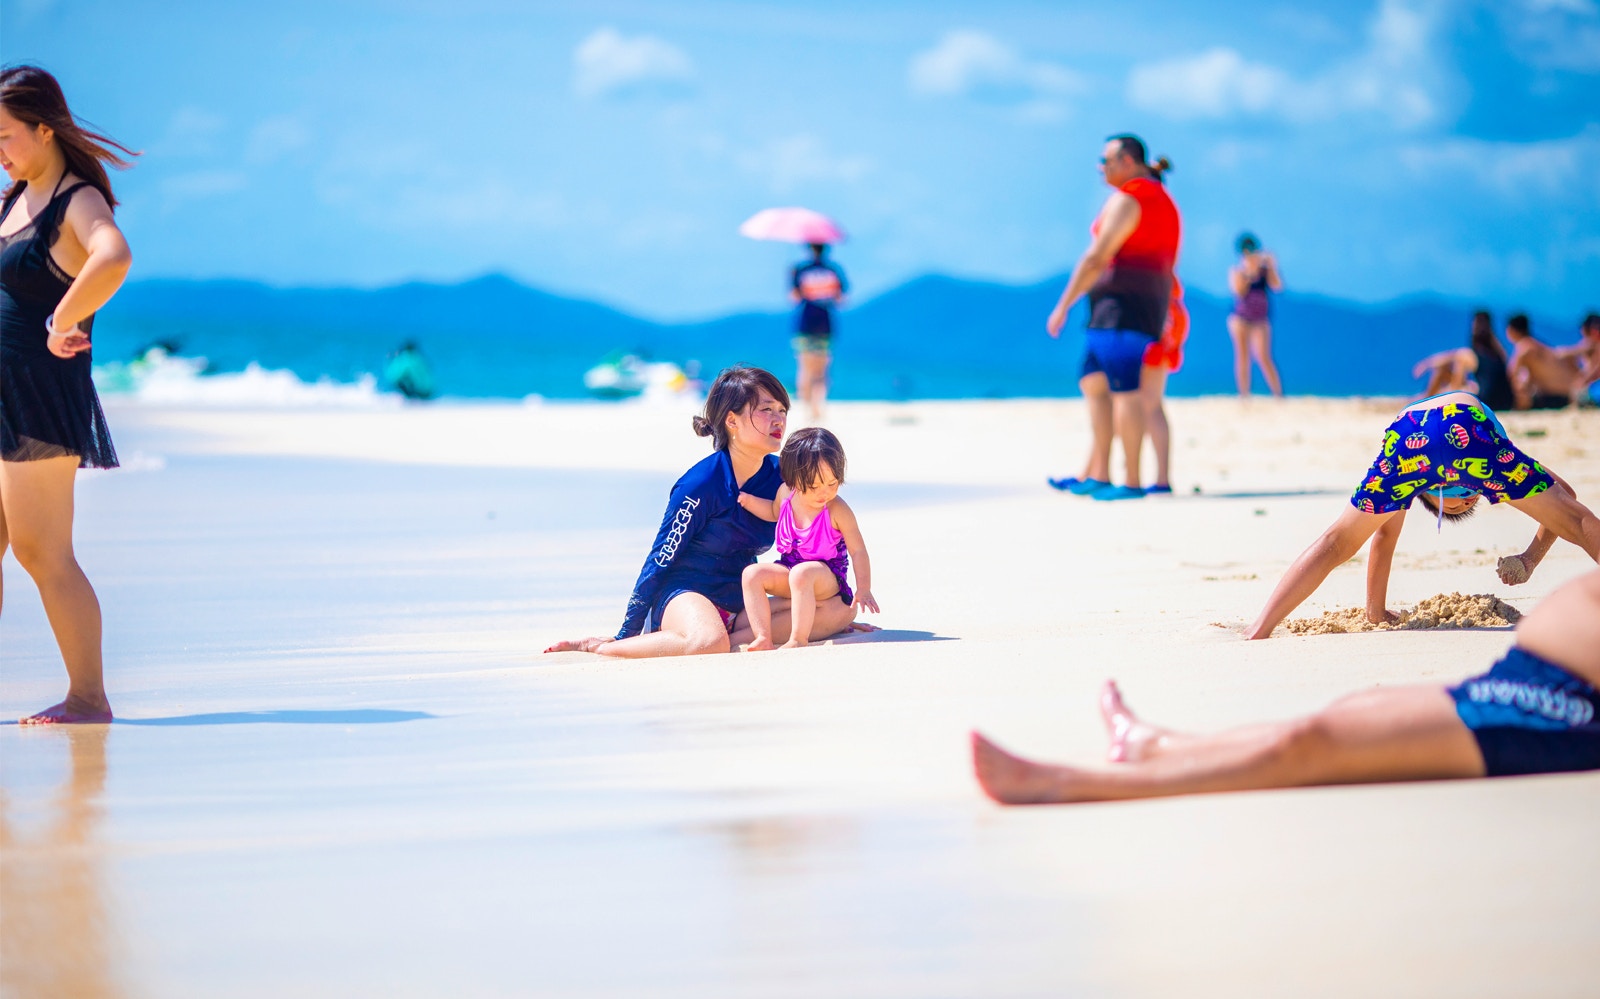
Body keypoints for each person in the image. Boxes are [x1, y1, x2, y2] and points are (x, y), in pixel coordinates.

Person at [972, 566, 1600, 805]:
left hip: (1559, 711)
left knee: (1313, 742)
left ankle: (1069, 783)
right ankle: (1159, 744)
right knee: (1353, 711)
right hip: (1527, 677)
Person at [543, 366, 859, 658]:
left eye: (782, 410)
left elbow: (819, 537)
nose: (778, 419)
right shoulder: (700, 485)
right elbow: (659, 560)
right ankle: (601, 647)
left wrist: (822, 603)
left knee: (842, 610)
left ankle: (734, 636)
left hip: (741, 597)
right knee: (710, 642)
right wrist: (626, 632)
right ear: (731, 421)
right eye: (765, 410)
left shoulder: (782, 477)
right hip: (686, 593)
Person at [1242, 391, 1600, 640]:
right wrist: (1529, 559)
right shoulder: (1491, 455)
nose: (1462, 494)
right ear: (1424, 494)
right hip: (1467, 424)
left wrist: (1376, 612)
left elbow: (1382, 536)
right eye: (1459, 497)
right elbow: (1566, 499)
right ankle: (1262, 624)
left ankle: (1260, 625)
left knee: (1337, 541)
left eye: (1466, 493)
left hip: (1407, 432)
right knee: (1573, 520)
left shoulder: (1407, 481)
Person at [1, 66, 135, 725]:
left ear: (44, 129)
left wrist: (64, 317)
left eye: (5, 136)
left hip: (36, 395)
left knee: (40, 549)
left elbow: (112, 256)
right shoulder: (15, 196)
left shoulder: (75, 200)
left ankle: (89, 696)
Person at [1046, 134, 1181, 502]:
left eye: (1105, 160)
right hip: (1132, 308)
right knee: (1094, 382)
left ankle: (1132, 481)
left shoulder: (1132, 198)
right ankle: (1100, 473)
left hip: (1123, 311)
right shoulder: (1163, 201)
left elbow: (1096, 257)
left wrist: (1064, 304)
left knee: (1127, 394)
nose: (1100, 167)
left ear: (1128, 161)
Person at [737, 427, 878, 650]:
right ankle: (763, 637)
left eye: (832, 484)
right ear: (792, 480)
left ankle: (798, 639)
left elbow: (858, 550)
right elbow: (773, 512)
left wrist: (864, 588)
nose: (824, 493)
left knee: (802, 574)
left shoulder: (837, 509)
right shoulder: (785, 493)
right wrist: (749, 501)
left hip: (826, 577)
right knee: (752, 574)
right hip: (790, 568)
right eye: (813, 486)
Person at [1138, 276, 1188, 494]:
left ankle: (1160, 479)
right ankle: (1160, 478)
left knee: (1147, 403)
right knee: (1149, 404)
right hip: (1164, 313)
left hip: (1155, 316)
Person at [1409, 310, 1513, 411]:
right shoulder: (1499, 352)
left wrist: (1425, 364)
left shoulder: (1468, 354)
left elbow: (1449, 357)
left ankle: (1425, 400)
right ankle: (1425, 397)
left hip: (1487, 402)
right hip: (1506, 402)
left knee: (1444, 369)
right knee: (1451, 371)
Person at [790, 243, 848, 423]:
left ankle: (807, 408)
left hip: (805, 323)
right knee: (822, 370)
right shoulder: (833, 270)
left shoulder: (800, 270)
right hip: (825, 324)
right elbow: (841, 300)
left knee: (805, 367)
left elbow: (794, 298)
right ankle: (817, 406)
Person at [1227, 232, 1284, 398]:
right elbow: (1238, 291)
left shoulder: (1265, 270)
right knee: (1243, 357)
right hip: (1241, 319)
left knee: (1264, 357)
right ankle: (1244, 396)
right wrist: (1250, 272)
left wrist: (1272, 266)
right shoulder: (1238, 270)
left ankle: (1278, 395)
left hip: (1261, 319)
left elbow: (1278, 286)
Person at [1505, 313, 1580, 411]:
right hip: (1569, 395)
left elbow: (1511, 373)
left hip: (1552, 397)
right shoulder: (1538, 345)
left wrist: (1521, 395)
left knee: (1519, 384)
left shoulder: (1524, 347)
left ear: (1511, 330)